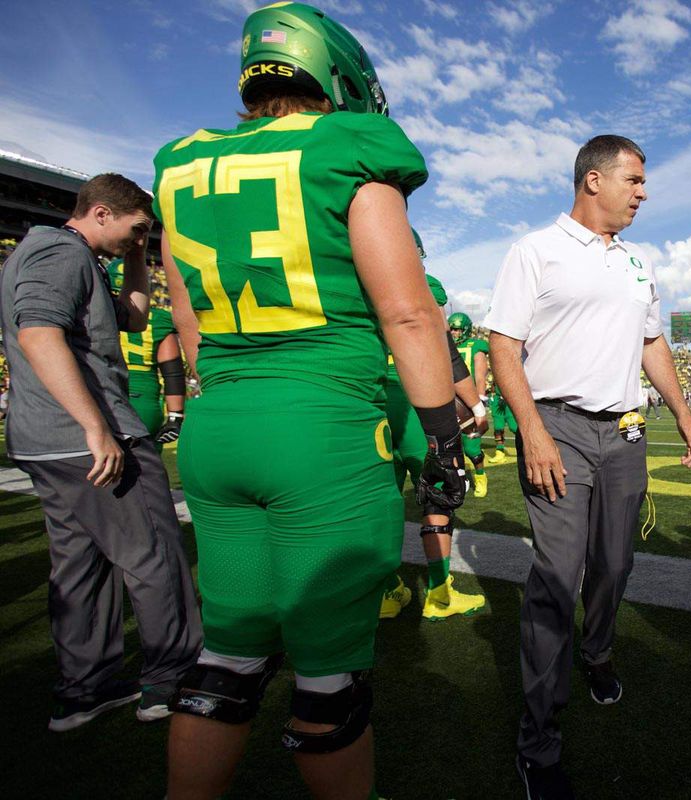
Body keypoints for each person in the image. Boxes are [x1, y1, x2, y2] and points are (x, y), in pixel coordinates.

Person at [152, 4, 466, 798]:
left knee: (226, 655)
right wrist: (443, 439)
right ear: (337, 73)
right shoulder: (346, 145)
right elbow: (406, 311)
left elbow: (184, 319)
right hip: (321, 431)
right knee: (330, 675)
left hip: (219, 428)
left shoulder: (182, 162)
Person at [487, 134, 691, 799]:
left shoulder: (638, 262)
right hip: (557, 426)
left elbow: (652, 340)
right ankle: (539, 741)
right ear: (592, 180)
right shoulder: (535, 250)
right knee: (557, 576)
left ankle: (598, 650)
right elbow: (503, 342)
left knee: (615, 563)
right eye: (634, 180)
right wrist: (531, 430)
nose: (642, 192)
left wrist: (683, 407)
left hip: (628, 432)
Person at [0, 173, 201, 731]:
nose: (140, 241)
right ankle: (172, 676)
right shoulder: (61, 252)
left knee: (80, 565)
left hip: (46, 442)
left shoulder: (70, 257)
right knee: (152, 552)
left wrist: (140, 257)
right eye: (136, 230)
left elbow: (132, 319)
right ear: (102, 213)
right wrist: (95, 426)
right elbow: (39, 334)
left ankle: (86, 688)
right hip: (87, 436)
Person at [379, 264, 488, 622]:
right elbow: (442, 345)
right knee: (438, 495)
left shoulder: (349, 278)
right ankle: (439, 594)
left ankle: (386, 590)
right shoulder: (422, 282)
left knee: (381, 499)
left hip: (371, 404)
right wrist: (475, 403)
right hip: (417, 403)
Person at [108, 259, 186, 450]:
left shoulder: (94, 312)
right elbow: (173, 372)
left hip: (106, 397)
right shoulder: (158, 320)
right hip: (145, 402)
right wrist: (175, 417)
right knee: (147, 471)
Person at [448, 311, 490, 497]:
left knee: (472, 447)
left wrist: (479, 399)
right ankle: (461, 478)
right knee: (449, 446)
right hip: (447, 400)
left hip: (468, 401)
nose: (455, 332)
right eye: (452, 328)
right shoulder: (444, 345)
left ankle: (480, 476)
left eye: (458, 329)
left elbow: (480, 374)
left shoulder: (475, 345)